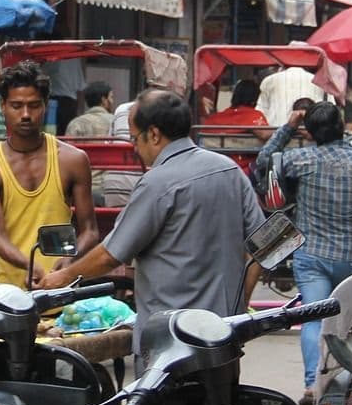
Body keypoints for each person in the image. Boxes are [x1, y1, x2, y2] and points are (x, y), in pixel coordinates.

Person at [34, 90, 264, 359]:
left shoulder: (158, 182)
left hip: (170, 340)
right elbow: (260, 248)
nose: (134, 148)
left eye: (134, 138)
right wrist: (238, 307)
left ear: (153, 134)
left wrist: (64, 277)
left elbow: (111, 255)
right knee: (223, 401)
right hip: (223, 336)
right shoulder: (229, 170)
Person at [257, 100, 352, 405]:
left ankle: (314, 384)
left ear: (311, 132)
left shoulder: (299, 159)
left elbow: (264, 161)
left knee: (313, 320)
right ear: (342, 128)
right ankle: (342, 382)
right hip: (349, 256)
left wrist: (288, 127)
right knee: (344, 322)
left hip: (311, 255)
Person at [0, 62, 99, 287]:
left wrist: (68, 260)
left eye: (34, 105)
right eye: (17, 106)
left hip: (62, 291)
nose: (26, 115)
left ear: (46, 105)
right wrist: (28, 265)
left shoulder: (73, 160)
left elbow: (89, 230)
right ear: (3, 106)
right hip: (9, 296)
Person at [47, 55, 86, 131]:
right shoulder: (76, 59)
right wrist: (80, 110)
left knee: (53, 135)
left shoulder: (57, 56)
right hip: (72, 103)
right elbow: (81, 88)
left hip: (55, 102)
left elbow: (42, 72)